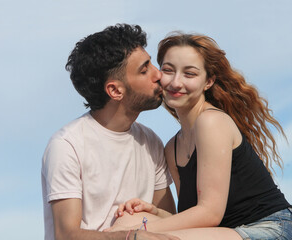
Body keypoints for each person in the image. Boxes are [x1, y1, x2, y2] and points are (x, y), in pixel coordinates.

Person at [108, 32, 292, 239]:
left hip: (271, 227)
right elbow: (190, 214)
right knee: (129, 219)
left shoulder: (211, 122)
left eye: (190, 74)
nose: (176, 83)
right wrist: (154, 212)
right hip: (227, 231)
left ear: (208, 82)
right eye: (168, 70)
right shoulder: (172, 148)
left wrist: (134, 232)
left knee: (136, 235)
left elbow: (210, 213)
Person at [41, 24, 179, 240]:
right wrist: (131, 237)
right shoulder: (67, 145)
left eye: (151, 63)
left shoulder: (150, 140)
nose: (158, 74)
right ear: (115, 90)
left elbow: (170, 220)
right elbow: (66, 235)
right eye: (144, 70)